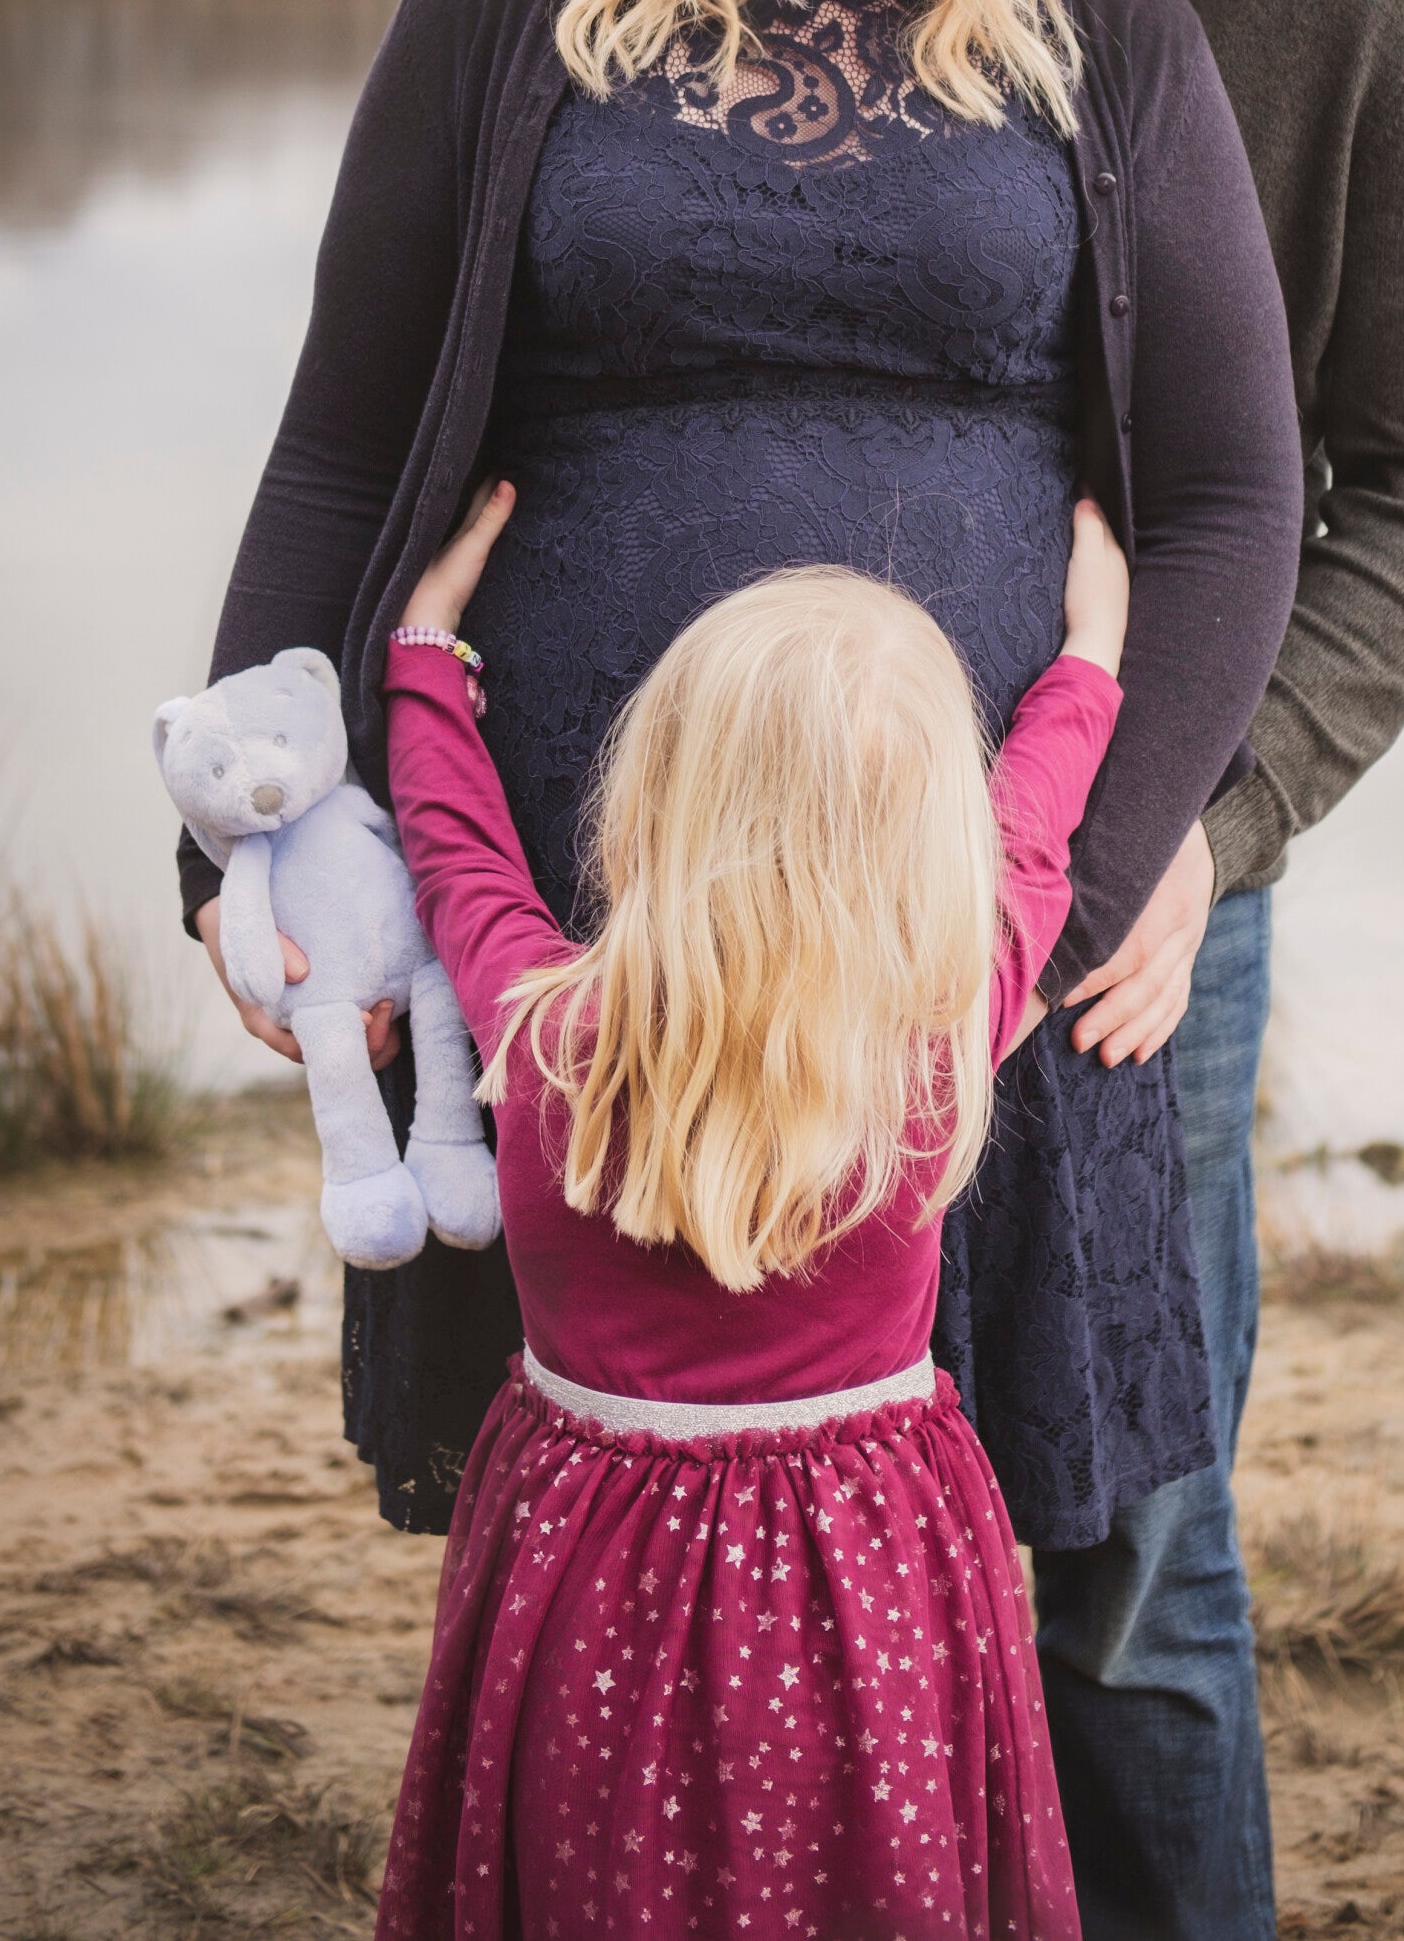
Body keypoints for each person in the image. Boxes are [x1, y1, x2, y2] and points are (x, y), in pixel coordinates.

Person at [178, 0, 1304, 1563]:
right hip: (578, 950)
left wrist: (1056, 909)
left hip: (959, 963)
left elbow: (1238, 503)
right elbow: (339, 446)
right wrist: (247, 839)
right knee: (593, 1538)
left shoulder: (1097, 19)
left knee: (985, 1576)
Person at [973, 0, 1404, 1939]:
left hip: (1153, 876)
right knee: (773, 1478)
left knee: (1132, 1544)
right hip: (793, 828)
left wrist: (1223, 820)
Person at [372, 483, 1130, 1937]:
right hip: (865, 1551)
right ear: (930, 847)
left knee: (609, 1860)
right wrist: (1088, 654)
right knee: (866, 1862)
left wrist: (427, 652)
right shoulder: (932, 1046)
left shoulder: (547, 1036)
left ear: (649, 796)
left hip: (593, 1548)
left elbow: (455, 848)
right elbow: (1033, 834)